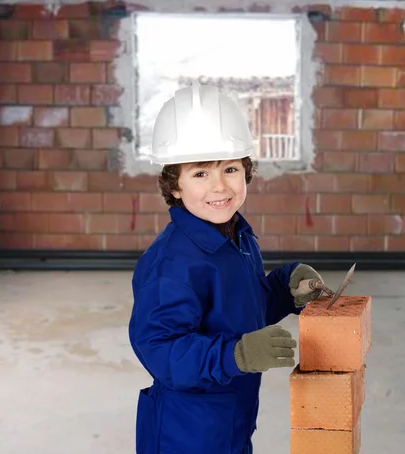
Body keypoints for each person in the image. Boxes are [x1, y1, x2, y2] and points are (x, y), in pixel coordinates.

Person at [128, 82, 329, 454]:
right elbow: (160, 349)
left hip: (231, 416)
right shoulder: (172, 264)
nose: (220, 186)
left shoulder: (237, 238)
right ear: (175, 185)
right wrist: (238, 354)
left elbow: (242, 311)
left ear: (246, 171)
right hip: (185, 430)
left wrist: (287, 289)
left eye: (231, 169)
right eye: (200, 173)